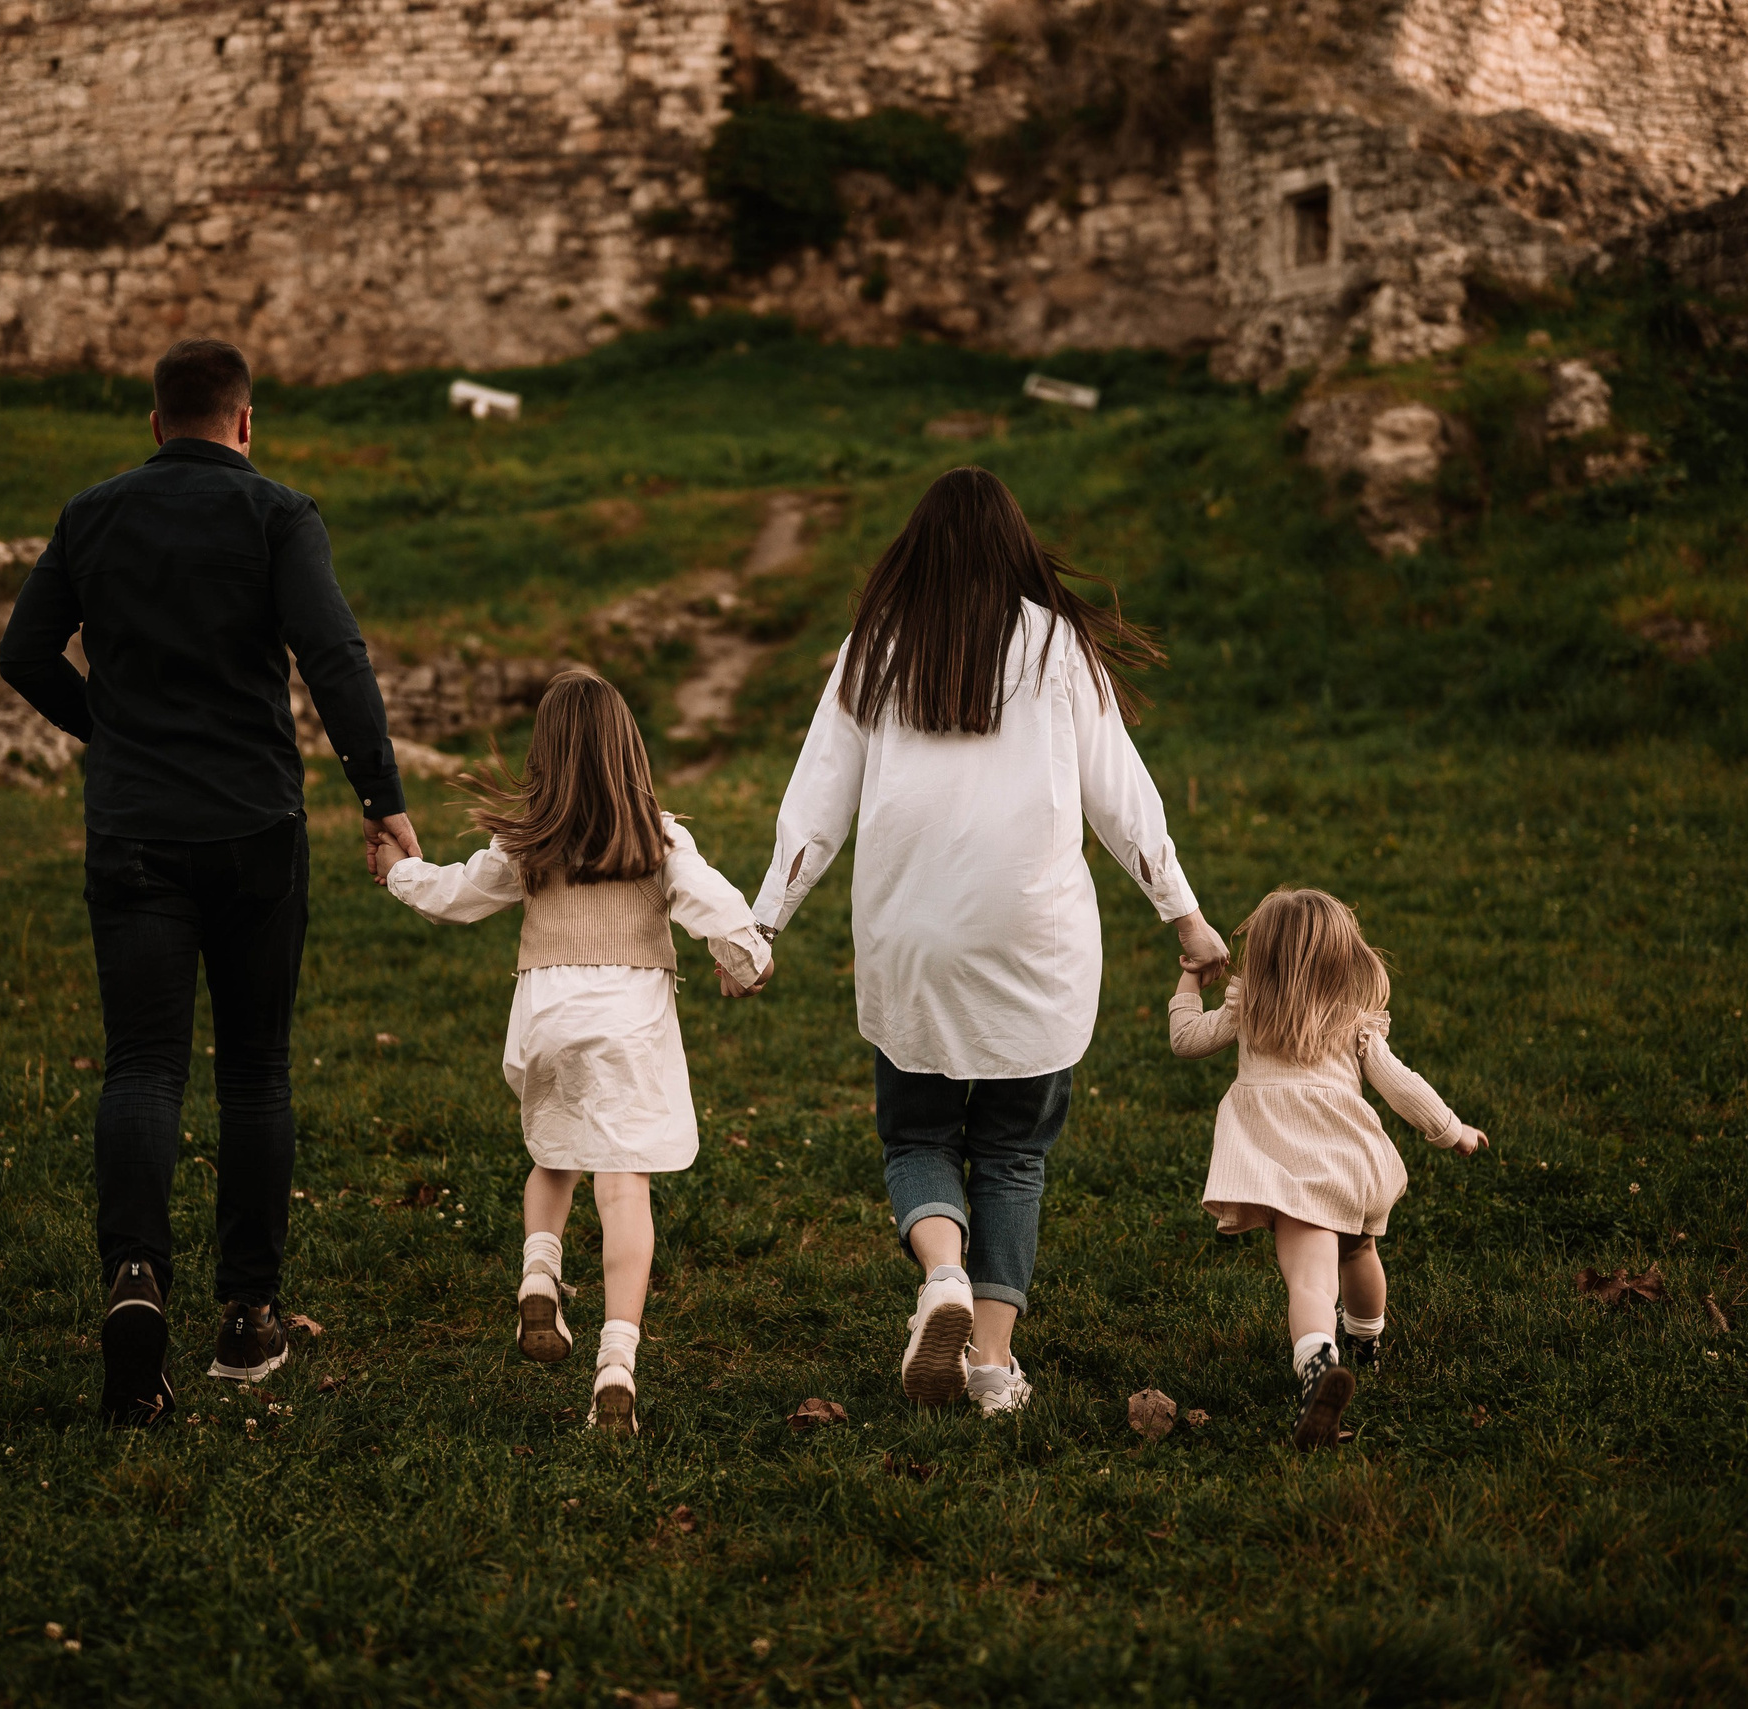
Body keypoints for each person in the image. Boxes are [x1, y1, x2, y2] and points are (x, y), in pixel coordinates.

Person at [0, 336, 420, 1426]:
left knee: (143, 1065)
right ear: (246, 421)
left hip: (135, 827)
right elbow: (334, 655)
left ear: (153, 424)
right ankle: (246, 1315)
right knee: (254, 1071)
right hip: (254, 830)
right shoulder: (278, 514)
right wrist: (380, 794)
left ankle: (135, 1281)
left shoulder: (94, 512)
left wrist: (112, 730)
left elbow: (23, 651)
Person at [751, 465, 1227, 1416]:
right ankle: (990, 1369)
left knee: (919, 1131)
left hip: (910, 941)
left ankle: (942, 1277)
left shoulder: (874, 647)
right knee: (1013, 1153)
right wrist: (1184, 911)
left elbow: (815, 804)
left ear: (916, 549)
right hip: (1032, 941)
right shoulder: (1059, 647)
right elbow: (1121, 800)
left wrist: (762, 922)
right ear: (1013, 547)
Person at [377, 670, 771, 1434]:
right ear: (630, 751)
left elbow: (457, 895)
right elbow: (712, 901)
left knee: (554, 1157)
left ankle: (539, 1270)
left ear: (545, 757)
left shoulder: (527, 840)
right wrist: (747, 958)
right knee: (624, 1187)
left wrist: (397, 871)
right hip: (629, 1029)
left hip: (547, 1021)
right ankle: (616, 1361)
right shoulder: (659, 836)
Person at [1167, 886, 1487, 1449]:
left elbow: (1186, 1040)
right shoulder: (1355, 1020)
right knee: (1359, 1249)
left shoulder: (1248, 1008)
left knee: (1311, 1280)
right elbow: (1400, 1086)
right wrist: (1451, 1130)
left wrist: (1191, 980)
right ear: (1345, 955)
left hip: (1286, 1164)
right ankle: (1367, 1343)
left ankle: (1319, 1368)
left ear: (1261, 955)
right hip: (1348, 1156)